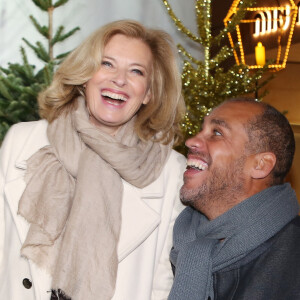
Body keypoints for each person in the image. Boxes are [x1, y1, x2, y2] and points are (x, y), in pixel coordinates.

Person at [0, 20, 186, 300]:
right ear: (85, 75)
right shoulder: (22, 141)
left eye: (136, 71)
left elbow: (164, 284)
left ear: (148, 92)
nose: (119, 79)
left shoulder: (170, 171)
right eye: (107, 64)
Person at [168, 98, 300, 300]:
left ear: (260, 165)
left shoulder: (292, 257)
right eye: (202, 129)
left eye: (217, 133)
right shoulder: (178, 237)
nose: (191, 141)